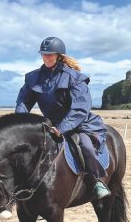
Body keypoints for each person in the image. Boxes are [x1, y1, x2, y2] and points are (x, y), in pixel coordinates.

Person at [15, 37, 110, 200]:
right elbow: (24, 101)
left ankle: (96, 180)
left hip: (79, 123)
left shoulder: (74, 77)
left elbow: (80, 108)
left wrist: (62, 128)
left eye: (50, 54)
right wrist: (20, 121)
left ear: (58, 55)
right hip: (52, 123)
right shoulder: (34, 78)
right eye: (44, 54)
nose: (46, 58)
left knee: (86, 147)